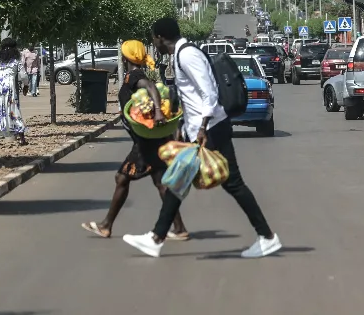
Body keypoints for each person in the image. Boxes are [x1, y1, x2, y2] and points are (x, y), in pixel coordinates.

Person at [122, 17, 280, 259]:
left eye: (154, 39)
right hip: (201, 127)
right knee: (178, 179)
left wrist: (203, 127)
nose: (154, 44)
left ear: (161, 37)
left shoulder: (187, 55)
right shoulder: (179, 55)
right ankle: (156, 237)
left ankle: (267, 236)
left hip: (211, 128)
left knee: (232, 183)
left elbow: (209, 93)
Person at [81, 40, 187, 240]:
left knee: (123, 178)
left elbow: (149, 87)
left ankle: (106, 225)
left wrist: (157, 111)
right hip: (149, 140)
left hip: (146, 143)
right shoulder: (138, 75)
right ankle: (179, 228)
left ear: (126, 57)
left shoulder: (134, 76)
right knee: (161, 184)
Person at [0, 38, 28, 146]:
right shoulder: (16, 60)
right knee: (13, 110)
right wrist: (26, 85)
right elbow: (24, 75)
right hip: (9, 86)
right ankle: (22, 139)